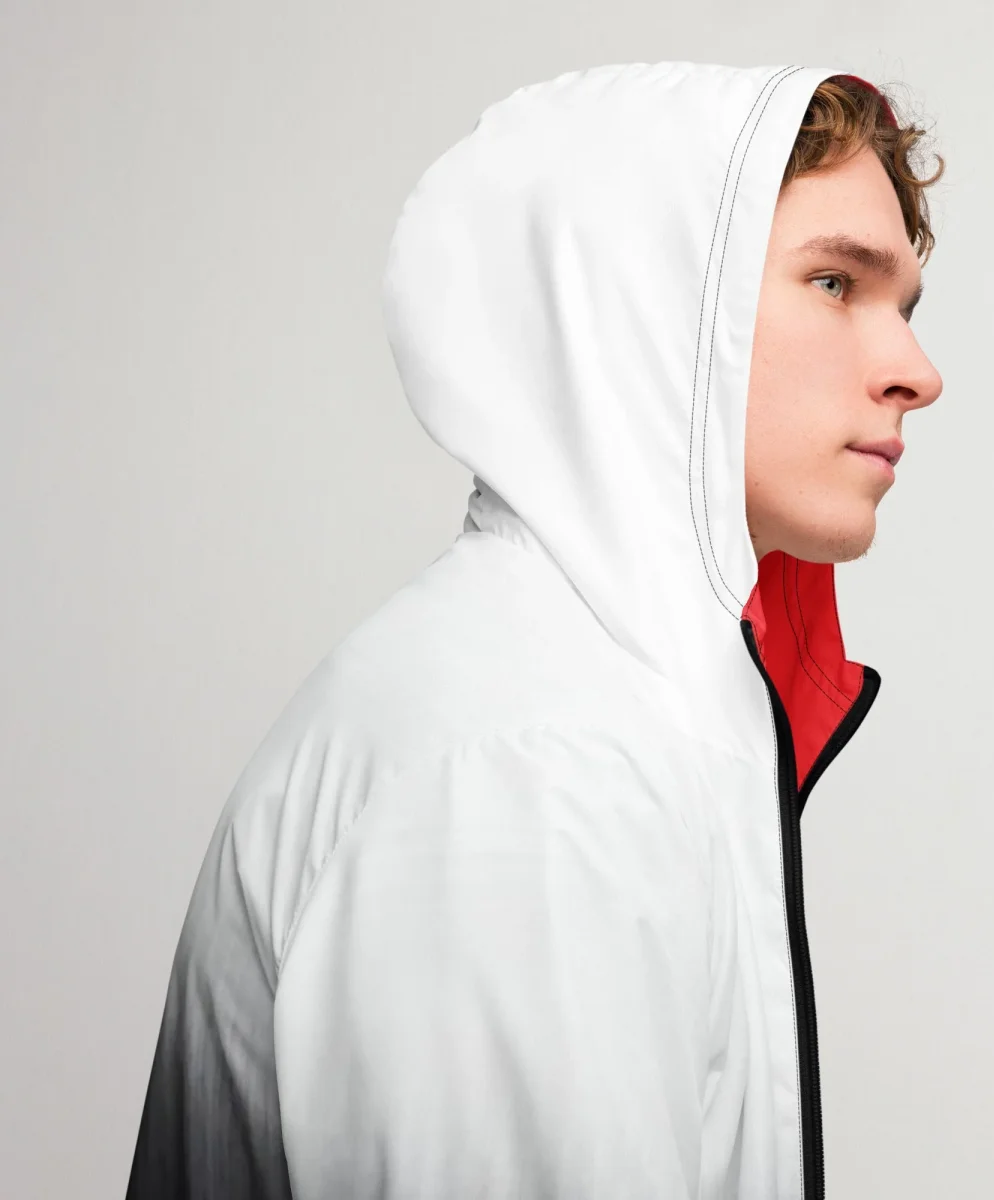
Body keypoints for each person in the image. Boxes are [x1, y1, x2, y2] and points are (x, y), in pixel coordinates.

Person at [124, 61, 943, 1200]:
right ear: (645, 304)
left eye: (906, 306)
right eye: (835, 283)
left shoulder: (612, 704)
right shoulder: (533, 765)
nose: (916, 372)